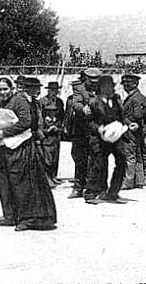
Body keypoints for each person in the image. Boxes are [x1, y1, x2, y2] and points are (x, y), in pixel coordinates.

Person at [0, 77, 56, 231]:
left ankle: (28, 218)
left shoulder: (19, 101)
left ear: (12, 89)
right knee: (5, 182)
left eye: (5, 89)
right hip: (5, 148)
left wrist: (4, 132)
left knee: (21, 183)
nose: (2, 92)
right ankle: (11, 216)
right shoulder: (2, 102)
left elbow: (25, 122)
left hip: (19, 148)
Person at [85, 75, 131, 205]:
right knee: (98, 165)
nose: (112, 89)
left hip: (116, 137)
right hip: (100, 138)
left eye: (112, 86)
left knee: (122, 161)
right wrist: (99, 129)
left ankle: (113, 192)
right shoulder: (93, 102)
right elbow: (88, 122)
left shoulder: (116, 100)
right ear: (102, 88)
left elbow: (122, 117)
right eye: (109, 86)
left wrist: (128, 124)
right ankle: (91, 193)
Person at [68, 69, 101, 199]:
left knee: (96, 160)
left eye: (95, 81)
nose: (93, 84)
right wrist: (83, 108)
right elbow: (76, 104)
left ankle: (93, 189)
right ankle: (78, 188)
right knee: (80, 159)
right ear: (86, 78)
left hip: (96, 131)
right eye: (90, 81)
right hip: (81, 130)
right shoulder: (79, 88)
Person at [121, 74, 146, 190]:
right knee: (138, 154)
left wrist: (126, 120)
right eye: (124, 84)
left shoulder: (136, 98)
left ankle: (128, 182)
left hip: (132, 130)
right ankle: (139, 180)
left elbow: (138, 115)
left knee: (130, 155)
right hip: (136, 130)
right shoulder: (136, 96)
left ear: (134, 84)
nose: (125, 86)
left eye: (127, 84)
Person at [38, 81, 65, 185]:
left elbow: (61, 116)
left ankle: (53, 175)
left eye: (56, 90)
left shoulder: (59, 102)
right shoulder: (42, 101)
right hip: (46, 131)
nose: (54, 92)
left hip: (56, 131)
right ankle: (47, 177)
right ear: (48, 90)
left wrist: (58, 127)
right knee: (47, 156)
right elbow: (40, 117)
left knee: (55, 155)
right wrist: (45, 128)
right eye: (52, 90)